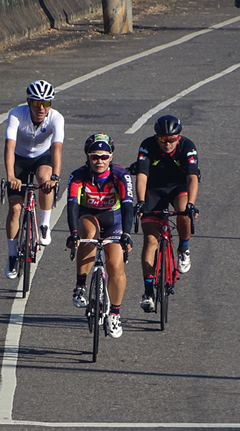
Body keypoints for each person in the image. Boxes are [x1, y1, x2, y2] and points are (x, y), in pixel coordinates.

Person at [66, 134, 134, 338]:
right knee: (87, 234)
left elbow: (128, 207)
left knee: (115, 264)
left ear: (111, 156)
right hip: (89, 215)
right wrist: (73, 234)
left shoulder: (121, 176)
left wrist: (127, 234)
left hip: (114, 219)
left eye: (104, 156)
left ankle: (115, 313)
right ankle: (80, 285)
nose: (100, 161)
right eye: (95, 156)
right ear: (87, 156)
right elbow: (72, 207)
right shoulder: (78, 176)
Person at [132, 115, 200, 313]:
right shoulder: (147, 145)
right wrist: (141, 202)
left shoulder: (188, 146)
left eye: (171, 140)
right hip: (153, 189)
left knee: (183, 213)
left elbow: (193, 178)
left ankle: (183, 248)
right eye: (163, 140)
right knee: (151, 241)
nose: (167, 143)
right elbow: (142, 176)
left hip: (178, 187)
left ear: (178, 138)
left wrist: (191, 204)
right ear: (157, 138)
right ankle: (147, 292)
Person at [4, 80, 64, 279]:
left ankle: (44, 226)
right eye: (37, 103)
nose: (41, 108)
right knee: (14, 208)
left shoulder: (56, 118)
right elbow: (10, 147)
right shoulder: (16, 114)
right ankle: (12, 255)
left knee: (45, 178)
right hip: (19, 158)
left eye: (46, 104)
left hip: (42, 157)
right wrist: (11, 176)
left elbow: (56, 149)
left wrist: (55, 177)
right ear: (28, 102)